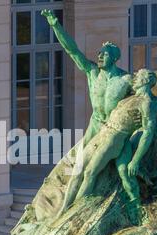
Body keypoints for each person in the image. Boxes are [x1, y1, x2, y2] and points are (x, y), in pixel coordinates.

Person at [58, 69, 157, 224]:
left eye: (138, 76)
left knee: (90, 173)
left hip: (115, 139)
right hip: (102, 133)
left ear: (145, 81)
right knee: (77, 170)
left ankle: (73, 215)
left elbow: (148, 133)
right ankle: (63, 210)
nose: (135, 78)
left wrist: (136, 160)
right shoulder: (132, 96)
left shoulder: (147, 103)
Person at [42, 9, 132, 146]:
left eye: (105, 54)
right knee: (80, 160)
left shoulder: (125, 79)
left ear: (114, 58)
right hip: (96, 124)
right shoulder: (92, 72)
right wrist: (56, 26)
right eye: (99, 53)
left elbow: (144, 97)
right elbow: (72, 50)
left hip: (115, 128)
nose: (100, 56)